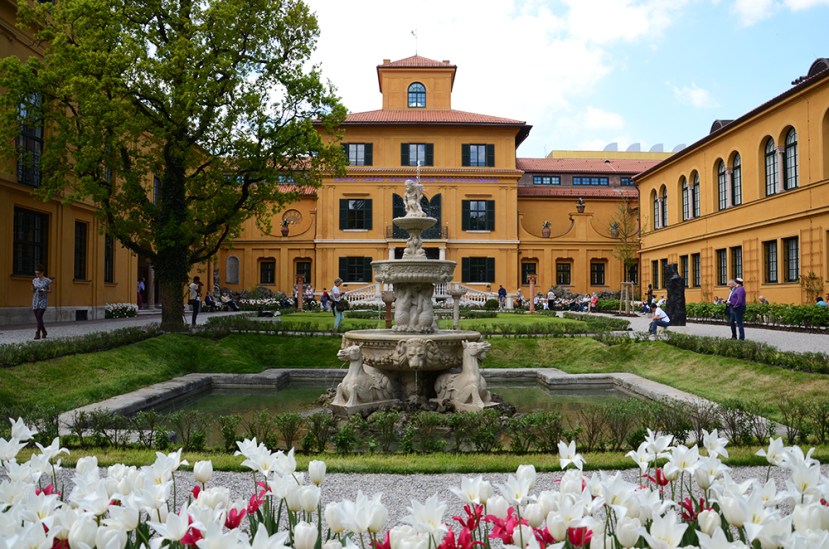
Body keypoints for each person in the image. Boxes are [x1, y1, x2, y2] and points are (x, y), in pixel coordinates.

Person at [32, 264, 52, 340]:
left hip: (43, 300)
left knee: (39, 316)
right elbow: (33, 289)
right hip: (35, 300)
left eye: (38, 273)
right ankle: (44, 331)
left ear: (42, 272)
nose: (37, 275)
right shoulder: (34, 280)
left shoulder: (47, 280)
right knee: (38, 318)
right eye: (36, 273)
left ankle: (37, 333)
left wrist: (44, 291)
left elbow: (50, 290)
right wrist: (33, 289)